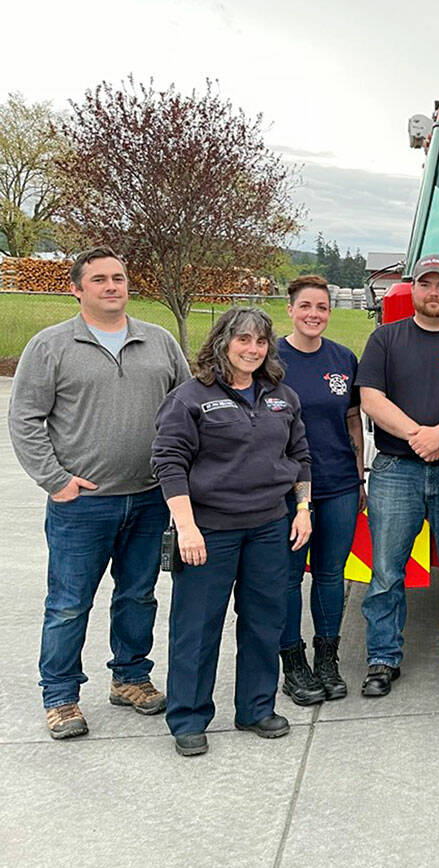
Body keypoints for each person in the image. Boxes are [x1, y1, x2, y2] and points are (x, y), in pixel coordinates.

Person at [9, 247, 191, 740]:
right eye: (100, 280)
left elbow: (186, 406)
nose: (112, 286)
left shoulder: (158, 342)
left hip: (151, 498)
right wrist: (55, 480)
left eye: (119, 278)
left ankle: (130, 678)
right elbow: (25, 419)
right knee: (69, 603)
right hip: (83, 504)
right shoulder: (51, 346)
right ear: (77, 288)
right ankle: (61, 696)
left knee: (138, 595)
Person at [152, 308, 313, 757]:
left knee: (265, 621)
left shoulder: (282, 396)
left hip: (269, 526)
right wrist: (186, 528)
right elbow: (169, 463)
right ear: (223, 341)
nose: (252, 349)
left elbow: (301, 456)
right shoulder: (190, 397)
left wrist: (303, 508)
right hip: (209, 530)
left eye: (260, 342)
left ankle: (255, 708)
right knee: (197, 627)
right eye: (242, 340)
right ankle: (188, 717)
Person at [356, 254, 439, 697]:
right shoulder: (385, 339)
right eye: (426, 284)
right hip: (397, 470)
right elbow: (371, 399)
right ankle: (382, 659)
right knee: (386, 572)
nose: (434, 292)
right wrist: (420, 436)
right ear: (413, 289)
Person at [276, 275, 365, 704]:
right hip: (285, 491)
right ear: (290, 309)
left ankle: (326, 659)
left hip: (339, 483)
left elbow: (352, 420)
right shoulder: (270, 358)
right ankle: (293, 664)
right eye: (306, 306)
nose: (314, 315)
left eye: (322, 308)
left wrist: (360, 472)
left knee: (331, 575)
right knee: (289, 578)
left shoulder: (343, 358)